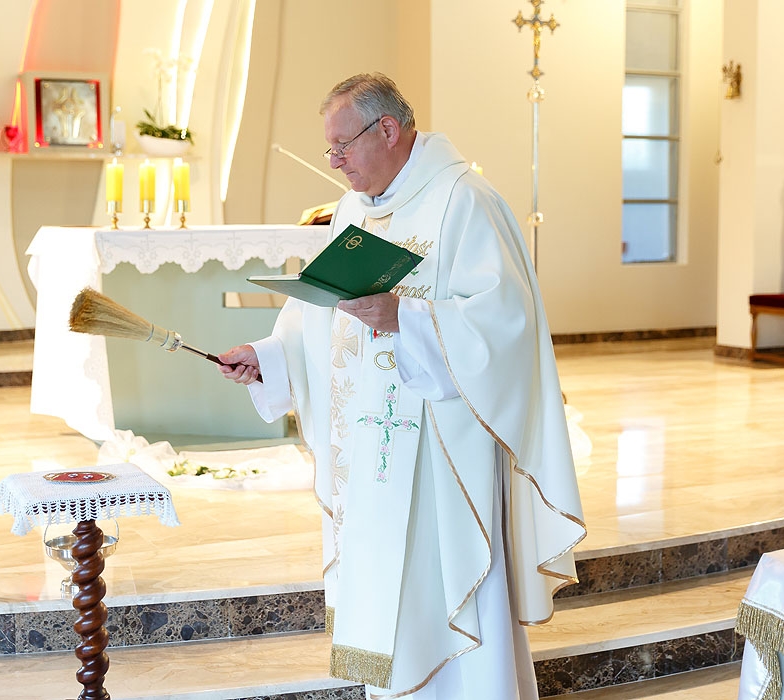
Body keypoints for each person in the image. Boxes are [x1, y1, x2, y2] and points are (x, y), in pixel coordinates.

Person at [218, 73, 585, 700]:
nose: (334, 162)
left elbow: (508, 325)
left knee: (446, 589)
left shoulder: (465, 199)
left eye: (342, 146)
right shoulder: (353, 211)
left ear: (388, 129)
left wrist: (409, 319)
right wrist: (270, 356)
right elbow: (319, 314)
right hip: (373, 449)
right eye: (328, 149)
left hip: (445, 454)